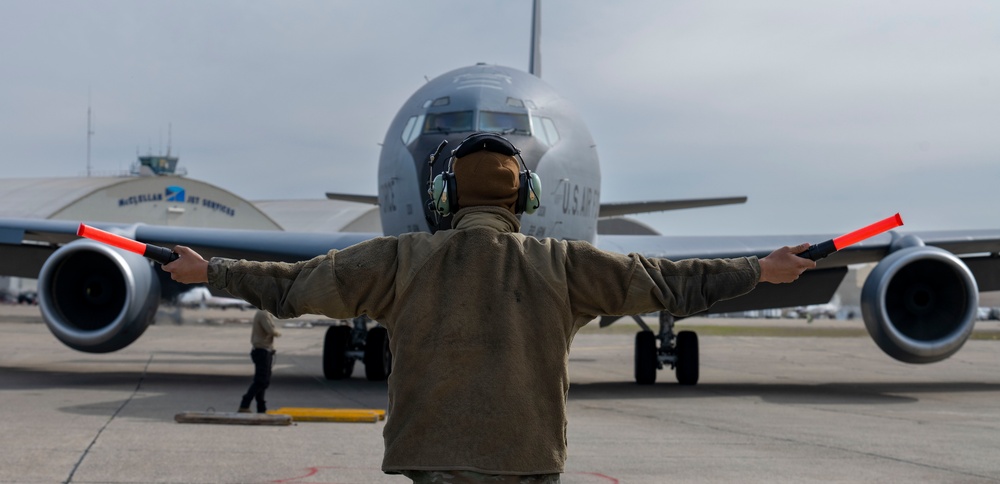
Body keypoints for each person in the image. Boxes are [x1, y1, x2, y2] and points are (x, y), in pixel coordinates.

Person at [163, 133, 814, 483]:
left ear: (445, 196)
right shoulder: (564, 265)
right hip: (528, 459)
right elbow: (674, 284)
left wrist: (210, 270)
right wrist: (761, 268)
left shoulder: (399, 259)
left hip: (432, 459)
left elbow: (291, 287)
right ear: (524, 197)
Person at [239, 309, 280, 413]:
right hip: (262, 351)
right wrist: (278, 333)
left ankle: (261, 407)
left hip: (264, 350)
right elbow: (270, 330)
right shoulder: (264, 313)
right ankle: (245, 404)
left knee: (263, 381)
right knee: (261, 381)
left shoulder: (264, 313)